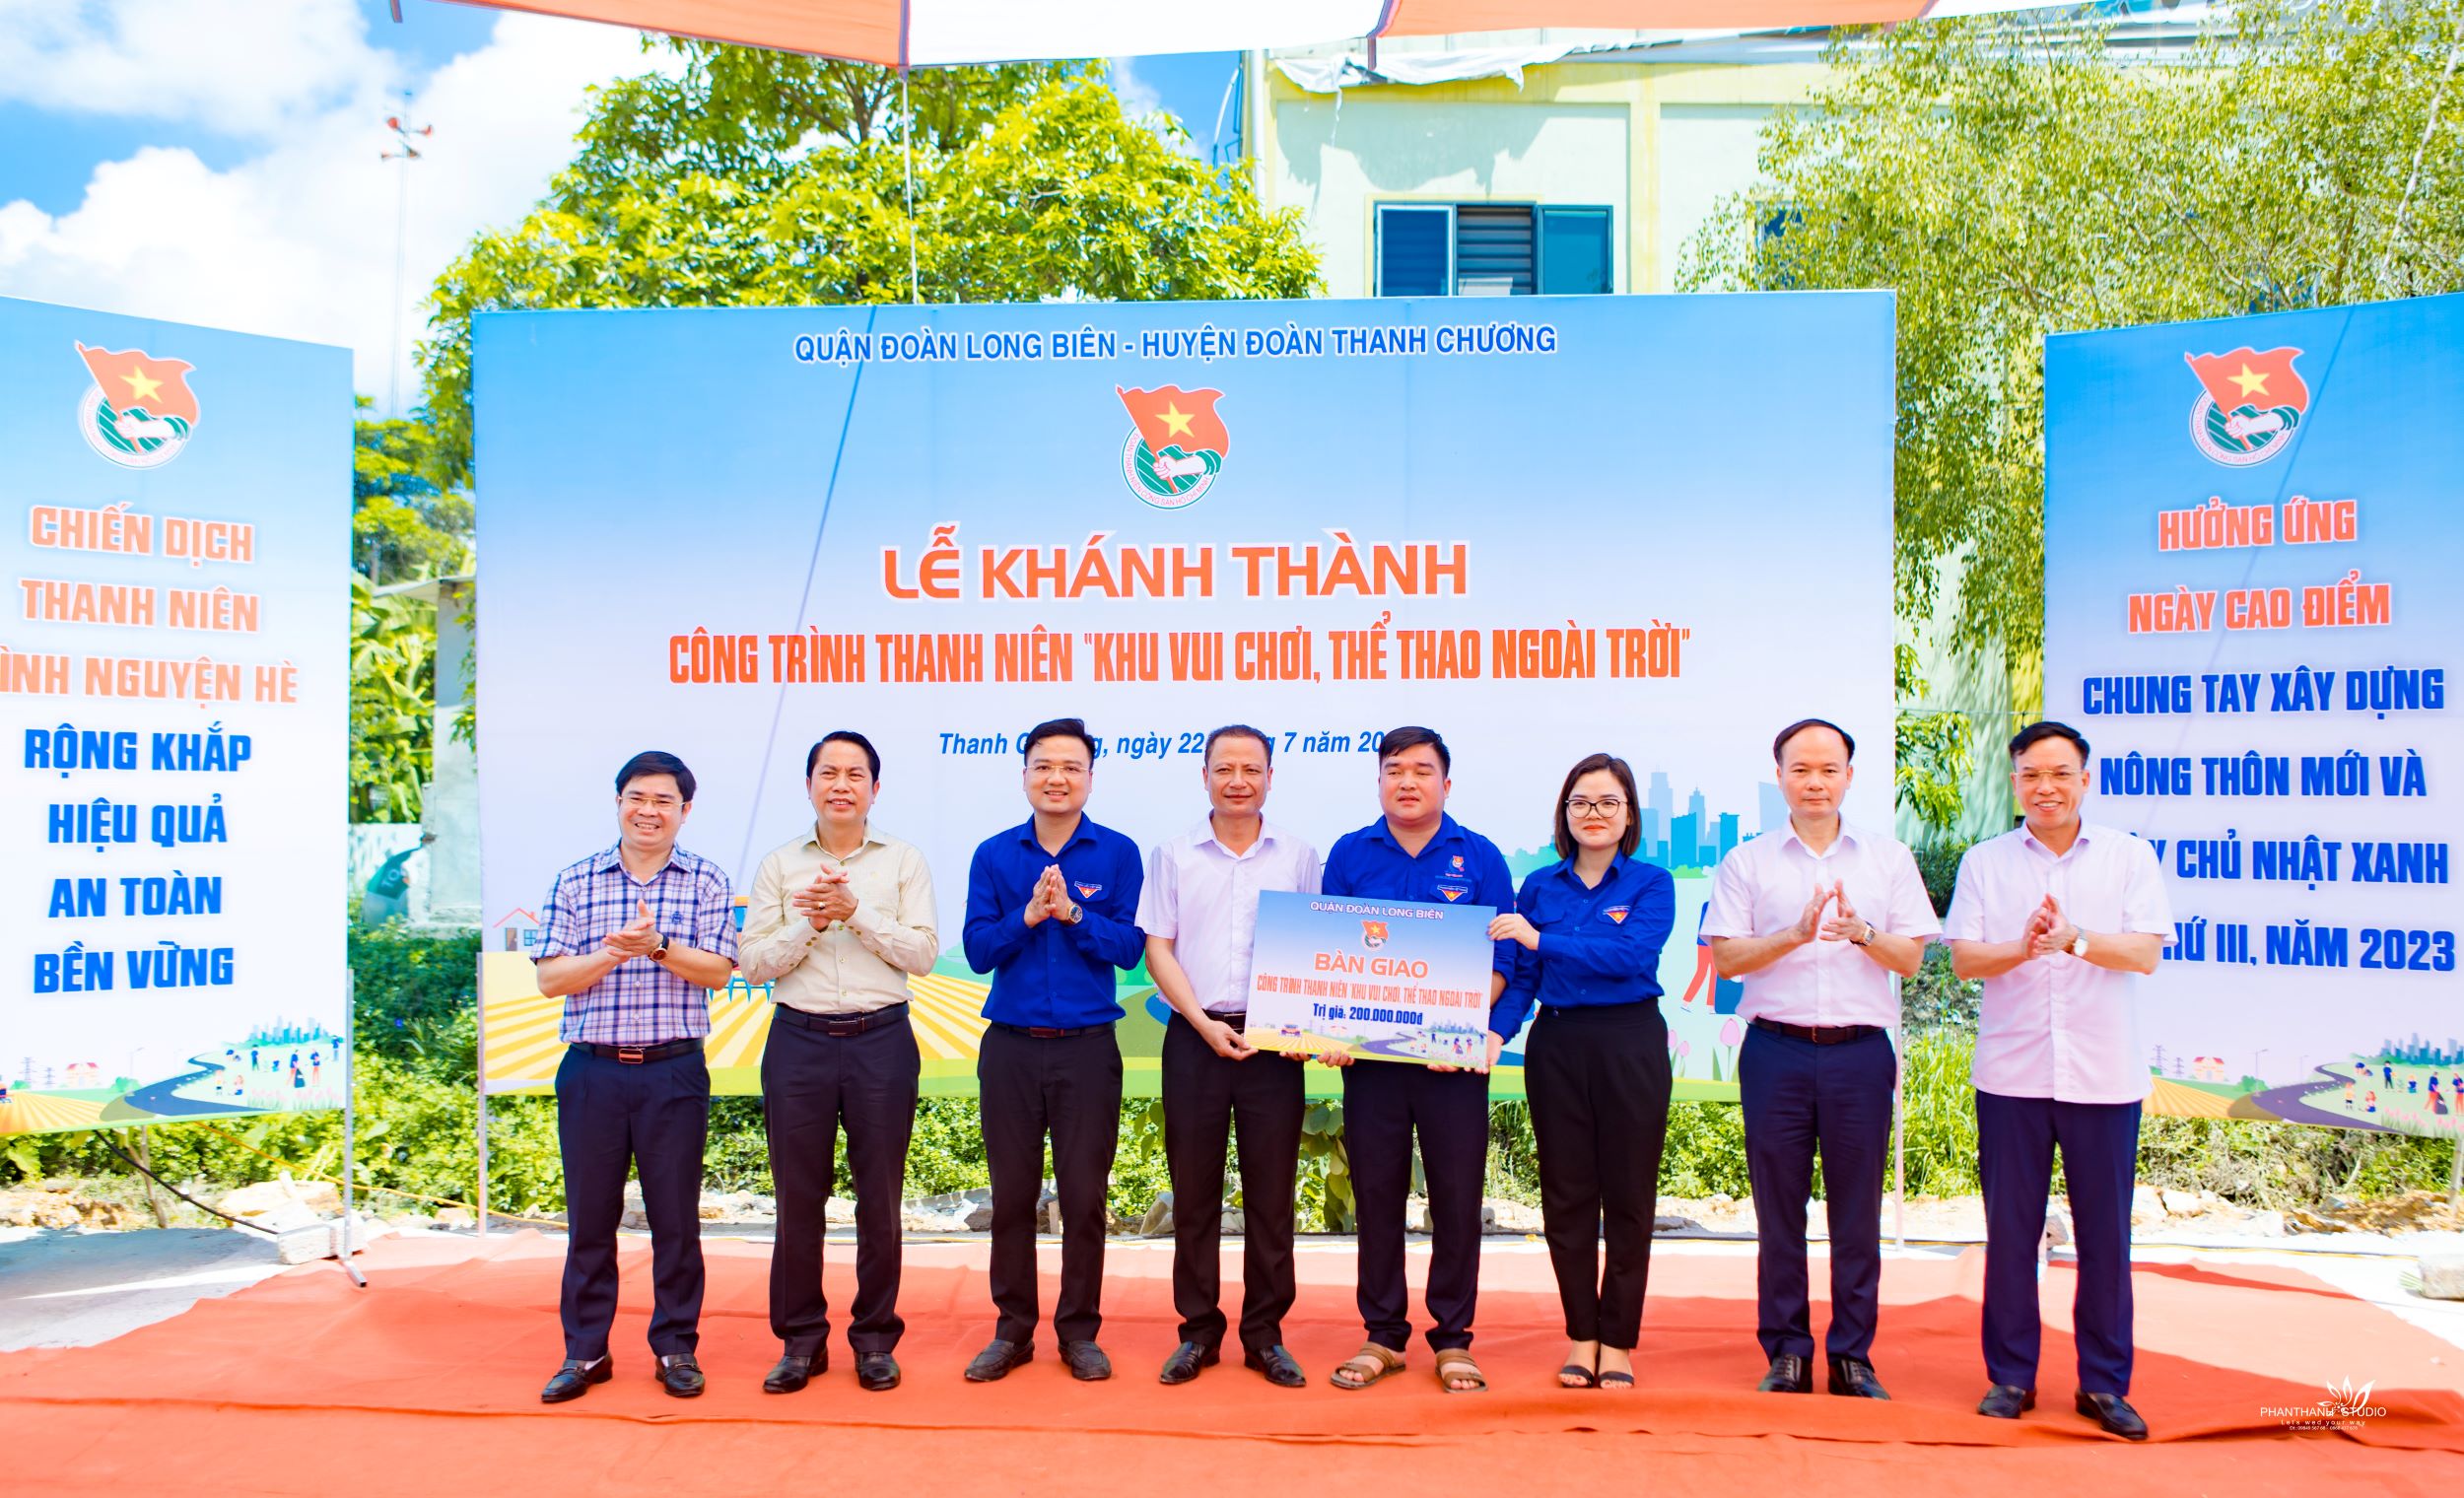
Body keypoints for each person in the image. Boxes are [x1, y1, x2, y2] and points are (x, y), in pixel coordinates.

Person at [1946, 720, 2170, 1441]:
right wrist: (2025, 947)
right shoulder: (1986, 862)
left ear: (2085, 780)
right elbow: (1965, 961)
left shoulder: (2129, 857)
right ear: (2014, 783)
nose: (2046, 788)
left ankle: (2103, 1384)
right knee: (2010, 1234)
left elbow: (2145, 953)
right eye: (2032, 776)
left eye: (2060, 774)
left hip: (2103, 1076)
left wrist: (2075, 939)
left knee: (2105, 1238)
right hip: (2012, 1075)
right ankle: (2010, 1376)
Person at [1702, 718, 1939, 1399]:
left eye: (1828, 769)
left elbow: (1911, 958)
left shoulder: (1887, 859)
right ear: (1779, 775)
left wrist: (1862, 932)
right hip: (1775, 1050)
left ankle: (1853, 1355)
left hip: (1859, 1055)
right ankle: (1787, 1351)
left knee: (1856, 1212)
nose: (1814, 782)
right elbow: (1728, 959)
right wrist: (1795, 934)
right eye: (1800, 769)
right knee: (1779, 1209)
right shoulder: (1747, 862)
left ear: (1849, 777)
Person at [532, 751, 737, 1403]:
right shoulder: (576, 880)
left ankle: (676, 1347)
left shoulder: (706, 880)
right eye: (637, 798)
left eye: (663, 801)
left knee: (676, 1220)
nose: (649, 811)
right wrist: (612, 952)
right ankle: (585, 1351)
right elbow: (550, 978)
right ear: (618, 802)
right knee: (590, 1220)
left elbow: (718, 971)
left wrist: (657, 948)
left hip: (672, 1072)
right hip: (592, 1072)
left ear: (685, 811)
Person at [737, 730, 937, 1395]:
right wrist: (813, 924)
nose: (841, 785)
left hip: (882, 1041)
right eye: (829, 773)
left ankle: (875, 1340)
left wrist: (855, 911)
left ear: (875, 789)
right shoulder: (779, 865)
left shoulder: (903, 860)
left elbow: (922, 955)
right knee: (798, 1198)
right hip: (799, 1041)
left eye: (855, 774)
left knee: (879, 1198)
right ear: (809, 786)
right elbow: (754, 963)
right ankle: (800, 1342)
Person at [1320, 726, 1518, 1395]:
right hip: (1372, 1067)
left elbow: (1506, 960)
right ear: (1379, 782)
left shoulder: (1480, 857)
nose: (1407, 781)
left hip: (1449, 1066)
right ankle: (1382, 1335)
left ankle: (1454, 1339)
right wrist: (1329, 1029)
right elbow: (1327, 955)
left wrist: (1464, 1026)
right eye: (1395, 769)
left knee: (1456, 1200)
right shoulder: (1350, 854)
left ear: (1446, 784)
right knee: (1376, 1198)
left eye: (1422, 770)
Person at [961, 718, 1146, 1383]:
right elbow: (978, 949)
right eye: (1043, 765)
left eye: (1071, 767)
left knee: (1084, 1197)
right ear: (1025, 776)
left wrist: (1072, 914)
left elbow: (1129, 948)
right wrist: (1029, 916)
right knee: (1011, 1197)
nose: (1056, 778)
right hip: (1010, 1049)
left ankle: (1078, 1332)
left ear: (1090, 778)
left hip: (1087, 1052)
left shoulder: (1118, 853)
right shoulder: (994, 855)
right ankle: (1012, 1332)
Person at [1138, 724, 1321, 1390]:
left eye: (1251, 769)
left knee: (1272, 1196)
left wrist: (1299, 1024)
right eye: (1224, 768)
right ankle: (1197, 1332)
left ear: (1270, 777)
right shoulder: (1173, 855)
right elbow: (1158, 948)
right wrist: (1202, 1023)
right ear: (1205, 776)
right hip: (1194, 1037)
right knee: (1194, 1194)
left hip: (1275, 1041)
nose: (1237, 780)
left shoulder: (1299, 857)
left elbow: (1317, 947)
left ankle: (1265, 1335)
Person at [1494, 752, 1676, 1391]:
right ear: (1564, 814)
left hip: (1630, 1041)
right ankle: (1582, 1336)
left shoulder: (1652, 883)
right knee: (1566, 1195)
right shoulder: (1539, 887)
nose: (1593, 813)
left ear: (1629, 815)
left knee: (1629, 1195)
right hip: (1558, 1044)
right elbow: (1525, 976)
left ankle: (1618, 1341)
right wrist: (1495, 1033)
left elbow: (1629, 956)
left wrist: (1540, 939)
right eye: (1581, 803)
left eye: (1607, 803)